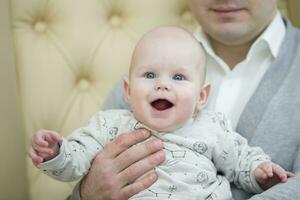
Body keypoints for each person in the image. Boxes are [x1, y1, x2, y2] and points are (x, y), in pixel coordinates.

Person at [66, 0, 300, 200]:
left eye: (179, 77)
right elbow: (83, 162)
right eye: (150, 75)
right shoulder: (141, 79)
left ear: (202, 96)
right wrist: (86, 193)